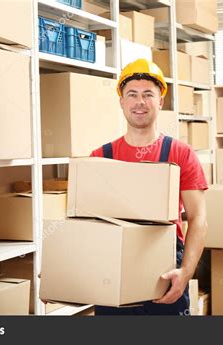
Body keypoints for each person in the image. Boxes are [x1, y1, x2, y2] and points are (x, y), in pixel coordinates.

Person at [91, 59, 208, 315]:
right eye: (132, 94)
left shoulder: (180, 153)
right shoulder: (101, 157)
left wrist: (186, 273)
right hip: (113, 269)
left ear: (160, 102)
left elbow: (198, 218)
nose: (140, 102)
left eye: (148, 95)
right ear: (122, 101)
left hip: (164, 272)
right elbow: (86, 223)